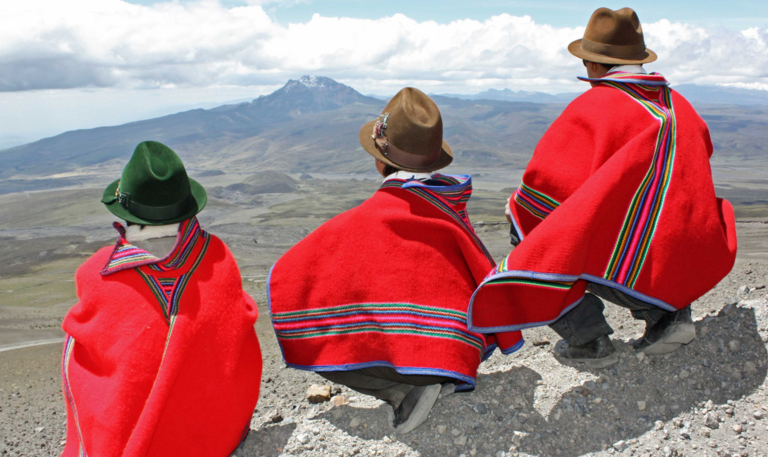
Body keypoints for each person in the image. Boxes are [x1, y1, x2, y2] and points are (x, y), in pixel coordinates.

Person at [467, 7, 737, 368]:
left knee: (530, 231)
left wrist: (516, 206)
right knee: (657, 218)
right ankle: (670, 316)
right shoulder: (679, 106)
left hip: (645, 261)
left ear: (595, 65)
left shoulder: (595, 106)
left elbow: (544, 188)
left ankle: (589, 339)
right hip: (694, 253)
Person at [268, 88, 514, 434]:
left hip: (416, 363)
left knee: (313, 330)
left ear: (380, 160)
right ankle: (426, 376)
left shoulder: (368, 217)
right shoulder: (447, 203)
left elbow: (293, 277)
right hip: (459, 351)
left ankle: (404, 391)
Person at [60, 141, 262, 457]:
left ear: (125, 212)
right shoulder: (218, 257)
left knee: (77, 347)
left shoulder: (97, 272)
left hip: (126, 444)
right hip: (216, 437)